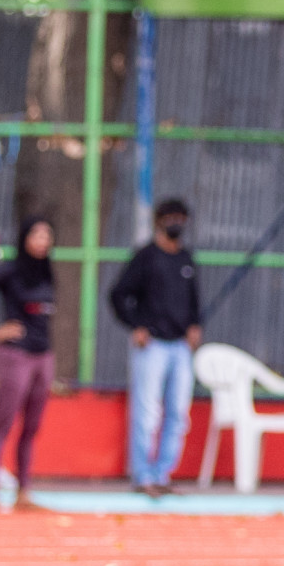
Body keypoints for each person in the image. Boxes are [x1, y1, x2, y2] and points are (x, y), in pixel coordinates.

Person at [108, 198, 203, 499]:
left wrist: (194, 325)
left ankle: (163, 473)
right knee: (147, 412)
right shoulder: (146, 257)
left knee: (177, 413)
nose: (176, 223)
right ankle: (142, 475)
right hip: (152, 346)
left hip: (180, 347)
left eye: (181, 217)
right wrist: (136, 325)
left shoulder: (186, 258)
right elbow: (119, 294)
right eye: (170, 217)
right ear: (158, 220)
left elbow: (193, 300)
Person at [0, 218, 56, 511]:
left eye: (47, 235)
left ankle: (24, 492)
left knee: (32, 426)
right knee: (3, 421)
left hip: (44, 355)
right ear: (24, 238)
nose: (42, 240)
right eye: (36, 234)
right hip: (16, 355)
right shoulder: (11, 271)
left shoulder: (47, 273)